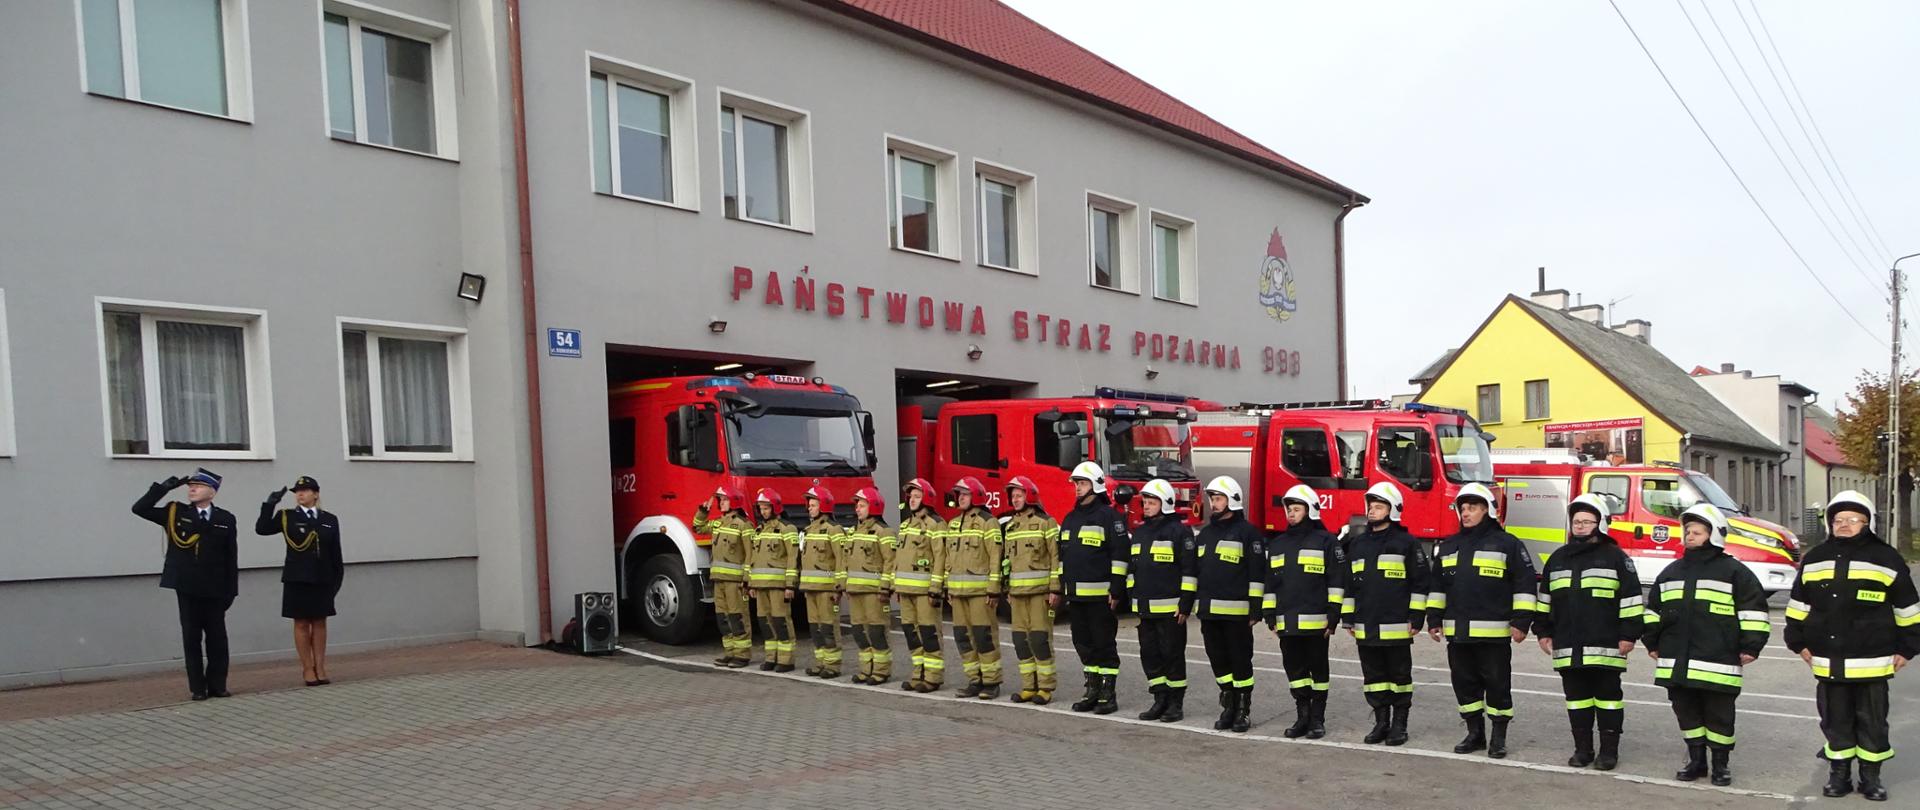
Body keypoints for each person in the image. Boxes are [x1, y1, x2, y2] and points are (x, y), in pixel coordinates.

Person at [1786, 491, 1919, 801]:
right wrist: (1797, 642)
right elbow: (1797, 607)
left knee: (1872, 721)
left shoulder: (1886, 558)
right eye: (1838, 520)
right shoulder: (1815, 558)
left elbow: (1908, 609)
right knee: (1834, 720)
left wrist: (1908, 647)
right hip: (1828, 661)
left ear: (1867, 522)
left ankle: (1871, 779)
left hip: (1872, 660)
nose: (1844, 525)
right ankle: (1839, 775)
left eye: (1852, 520)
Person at [1642, 503, 1769, 787]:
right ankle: (1697, 760)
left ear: (1714, 535)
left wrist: (1751, 646)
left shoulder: (1735, 572)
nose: (1690, 536)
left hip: (1718, 661)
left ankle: (1721, 764)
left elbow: (1754, 613)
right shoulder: (1672, 571)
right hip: (1677, 661)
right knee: (1686, 712)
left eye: (1697, 532)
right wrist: (1651, 640)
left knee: (1719, 715)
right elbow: (1652, 611)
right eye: (1688, 531)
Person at [1427, 483, 1537, 759]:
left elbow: (1524, 585)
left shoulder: (1508, 544)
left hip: (1494, 635)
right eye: (1462, 508)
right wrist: (1434, 618)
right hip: (1458, 634)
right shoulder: (1449, 546)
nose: (1465, 513)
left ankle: (1498, 737)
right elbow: (1438, 586)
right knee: (1464, 685)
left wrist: (1522, 622)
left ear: (1487, 510)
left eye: (1472, 508)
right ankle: (1475, 733)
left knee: (1497, 686)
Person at [1534, 494, 1643, 771]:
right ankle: (1582, 750)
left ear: (1601, 523)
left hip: (1607, 646)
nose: (1580, 526)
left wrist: (1629, 635)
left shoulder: (1617, 558)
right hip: (1568, 646)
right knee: (1577, 701)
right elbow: (1545, 599)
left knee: (1608, 701)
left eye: (1586, 521)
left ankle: (1609, 752)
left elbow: (1631, 600)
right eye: (1576, 521)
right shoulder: (1558, 559)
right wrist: (1543, 631)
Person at [131, 468, 238, 701]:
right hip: (187, 586)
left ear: (212, 491)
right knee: (191, 638)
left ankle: (218, 685)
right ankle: (198, 689)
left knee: (217, 639)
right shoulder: (175, 512)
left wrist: (231, 590)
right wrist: (163, 488)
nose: (192, 489)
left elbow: (231, 557)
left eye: (198, 486)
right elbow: (139, 509)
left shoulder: (225, 518)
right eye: (190, 486)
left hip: (215, 587)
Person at [1344, 482, 1430, 746]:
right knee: (1373, 678)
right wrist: (1348, 617)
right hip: (1366, 624)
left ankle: (1399, 726)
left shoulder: (1407, 543)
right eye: (1371, 505)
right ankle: (1381, 723)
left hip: (1396, 625)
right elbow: (1349, 584)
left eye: (1379, 506)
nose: (1372, 510)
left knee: (1400, 678)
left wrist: (1416, 618)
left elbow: (1420, 582)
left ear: (1392, 510)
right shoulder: (1357, 544)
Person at [1264, 484, 1344, 739]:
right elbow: (1271, 583)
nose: (1291, 514)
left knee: (1318, 671)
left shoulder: (1326, 542)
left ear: (1310, 511)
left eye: (1297, 509)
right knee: (1295, 671)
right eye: (1289, 509)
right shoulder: (1277, 544)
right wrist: (1269, 615)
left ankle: (1317, 718)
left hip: (1317, 621)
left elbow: (1337, 580)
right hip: (1287, 620)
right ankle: (1302, 716)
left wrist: (1334, 615)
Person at [255, 476, 345, 687]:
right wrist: (269, 505)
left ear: (316, 494)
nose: (300, 494)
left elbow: (335, 554)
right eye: (297, 491)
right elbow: (262, 529)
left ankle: (320, 666)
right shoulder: (287, 516)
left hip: (322, 578)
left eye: (305, 490)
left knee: (320, 622)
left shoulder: (329, 519)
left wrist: (336, 581)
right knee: (302, 622)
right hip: (297, 578)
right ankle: (307, 668)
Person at [1193, 476, 1265, 733]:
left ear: (1233, 500)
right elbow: (1196, 572)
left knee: (1240, 661)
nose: (1213, 503)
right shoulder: (1205, 534)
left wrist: (1256, 609)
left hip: (1237, 614)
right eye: (1212, 498)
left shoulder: (1249, 534)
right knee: (1218, 661)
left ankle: (1243, 709)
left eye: (1219, 498)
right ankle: (1228, 704)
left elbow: (1257, 574)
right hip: (1209, 613)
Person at [1059, 461, 1130, 714]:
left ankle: (1107, 695)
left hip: (1101, 598)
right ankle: (1091, 690)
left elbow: (1120, 556)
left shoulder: (1110, 517)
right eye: (1076, 484)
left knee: (1104, 645)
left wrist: (1117, 590)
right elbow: (1062, 558)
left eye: (1082, 483)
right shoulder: (1069, 519)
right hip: (1076, 597)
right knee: (1083, 644)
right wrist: (1060, 588)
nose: (1077, 488)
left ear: (1096, 485)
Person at [1129, 478, 1197, 723]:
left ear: (1166, 503)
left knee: (1172, 656)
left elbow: (1189, 570)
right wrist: (1131, 597)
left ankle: (1175, 704)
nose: (1146, 506)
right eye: (1145, 502)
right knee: (1150, 655)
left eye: (1151, 502)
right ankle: (1159, 699)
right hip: (1145, 609)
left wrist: (1186, 603)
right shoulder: (1139, 532)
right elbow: (1131, 570)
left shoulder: (1179, 531)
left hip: (1171, 611)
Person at [1000, 476, 1061, 704]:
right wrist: (1006, 587)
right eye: (1013, 496)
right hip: (1017, 595)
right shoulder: (1011, 526)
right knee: (1020, 641)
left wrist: (1055, 589)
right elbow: (1007, 561)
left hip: (1039, 594)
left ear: (1030, 496)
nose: (1015, 500)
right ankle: (1028, 686)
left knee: (1039, 639)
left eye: (1019, 495)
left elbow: (1056, 558)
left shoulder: (1046, 523)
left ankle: (1045, 688)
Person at [944, 477, 1005, 698]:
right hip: (958, 594)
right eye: (958, 494)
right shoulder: (953, 524)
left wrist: (993, 588)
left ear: (976, 496)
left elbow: (995, 557)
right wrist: (947, 587)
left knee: (984, 637)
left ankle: (991, 682)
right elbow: (948, 559)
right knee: (963, 638)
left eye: (965, 494)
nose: (960, 498)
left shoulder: (988, 522)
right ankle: (974, 680)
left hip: (981, 594)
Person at [892, 478, 948, 692]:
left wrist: (936, 589)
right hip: (906, 592)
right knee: (911, 633)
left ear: (927, 499)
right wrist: (897, 586)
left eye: (917, 496)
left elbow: (940, 558)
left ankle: (933, 677)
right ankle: (918, 674)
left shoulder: (936, 525)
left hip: (926, 592)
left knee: (929, 633)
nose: (912, 500)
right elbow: (899, 558)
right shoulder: (906, 525)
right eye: (911, 496)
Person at [694, 485, 754, 668]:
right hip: (719, 580)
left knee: (738, 617)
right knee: (723, 618)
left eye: (725, 499)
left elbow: (750, 555)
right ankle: (729, 653)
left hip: (736, 582)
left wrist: (747, 580)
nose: (721, 503)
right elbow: (698, 527)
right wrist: (703, 511)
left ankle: (742, 655)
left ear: (734, 501)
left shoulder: (744, 525)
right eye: (720, 500)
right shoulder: (718, 523)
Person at [843, 488, 896, 685]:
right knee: (859, 632)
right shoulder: (853, 532)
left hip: (875, 593)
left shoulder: (884, 532)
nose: (857, 509)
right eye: (857, 505)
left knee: (876, 632)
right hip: (856, 592)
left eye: (862, 505)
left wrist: (885, 588)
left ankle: (881, 671)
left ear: (873, 507)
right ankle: (866, 670)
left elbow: (890, 562)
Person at [745, 489, 800, 672]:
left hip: (778, 586)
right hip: (761, 587)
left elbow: (793, 559)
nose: (763, 512)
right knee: (765, 623)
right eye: (761, 508)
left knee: (781, 622)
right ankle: (771, 658)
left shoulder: (787, 529)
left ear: (775, 507)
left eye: (766, 508)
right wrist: (751, 583)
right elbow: (753, 558)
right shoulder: (759, 530)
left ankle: (786, 660)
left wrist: (790, 585)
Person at [797, 485, 847, 679]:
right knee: (815, 628)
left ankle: (832, 665)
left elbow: (841, 560)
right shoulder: (808, 530)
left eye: (813, 505)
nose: (809, 508)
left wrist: (839, 587)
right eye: (809, 505)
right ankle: (820, 662)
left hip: (827, 590)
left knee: (828, 627)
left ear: (823, 506)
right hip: (811, 589)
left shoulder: (834, 530)